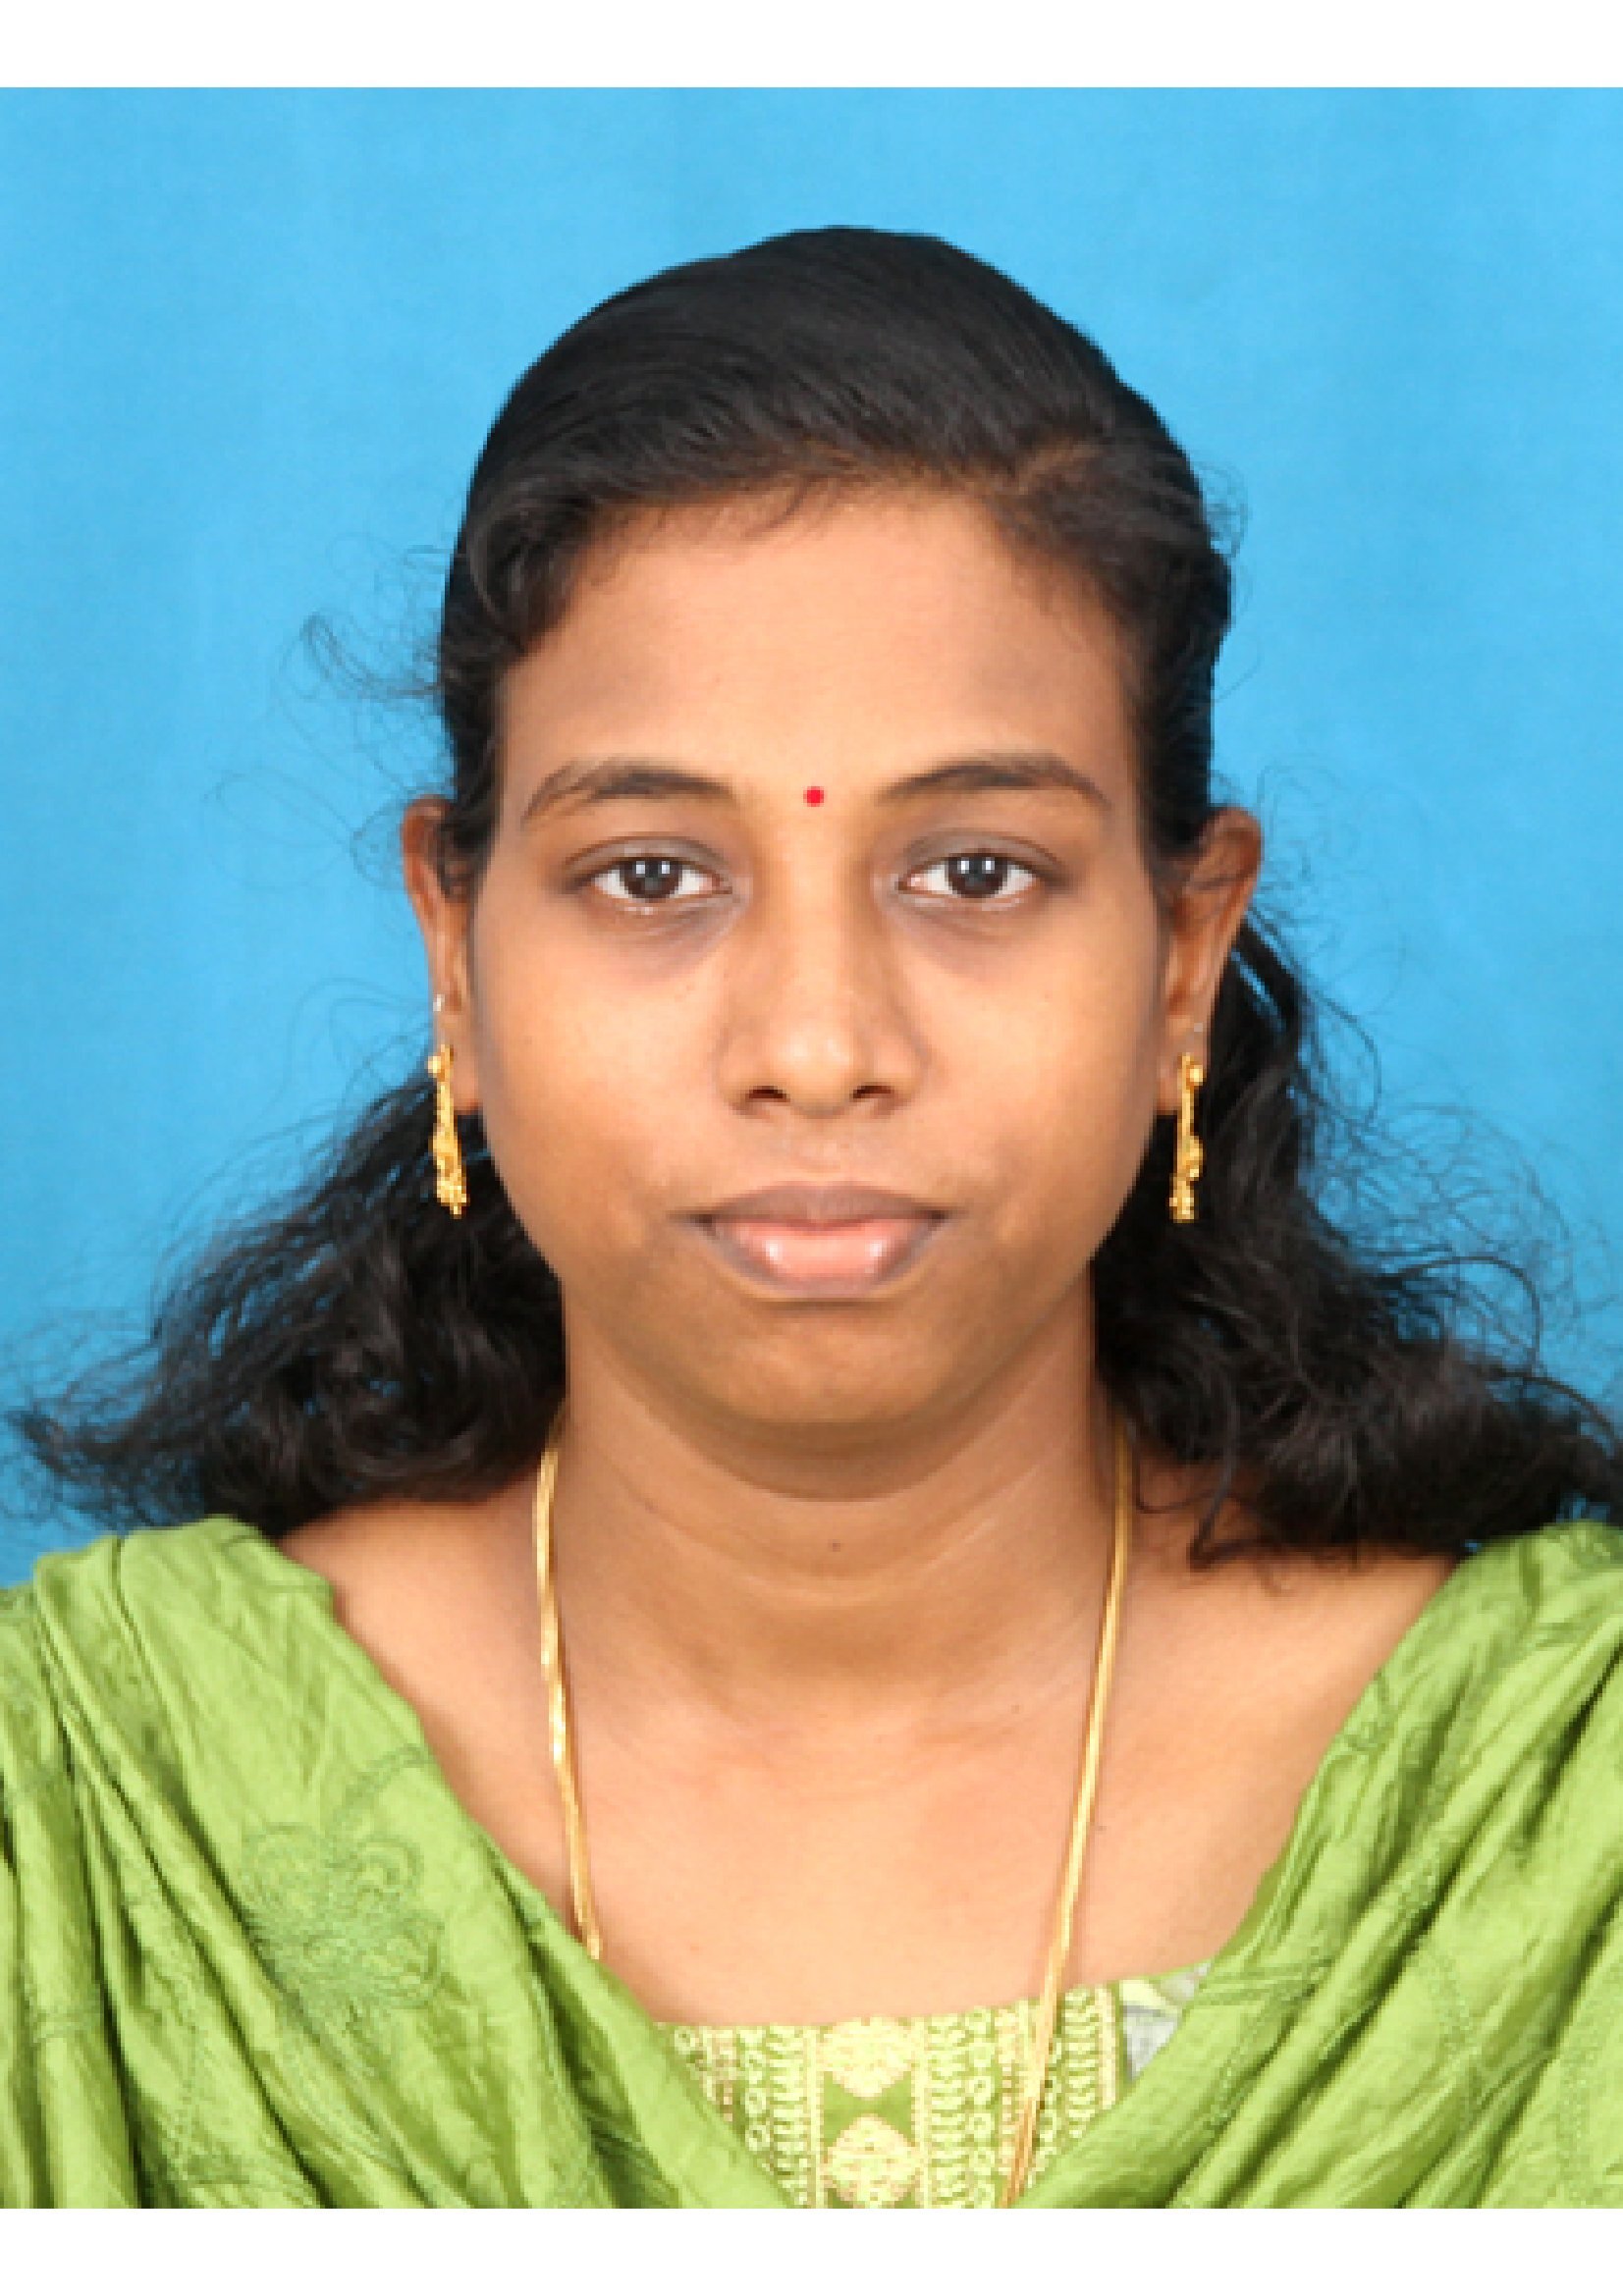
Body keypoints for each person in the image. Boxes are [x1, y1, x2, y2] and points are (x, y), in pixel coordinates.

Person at [4, 225, 1622, 2212]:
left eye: (972, 872)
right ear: (454, 951)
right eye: (651, 876)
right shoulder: (95, 1813)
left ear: (1182, 959)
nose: (816, 1046)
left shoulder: (1561, 1823)